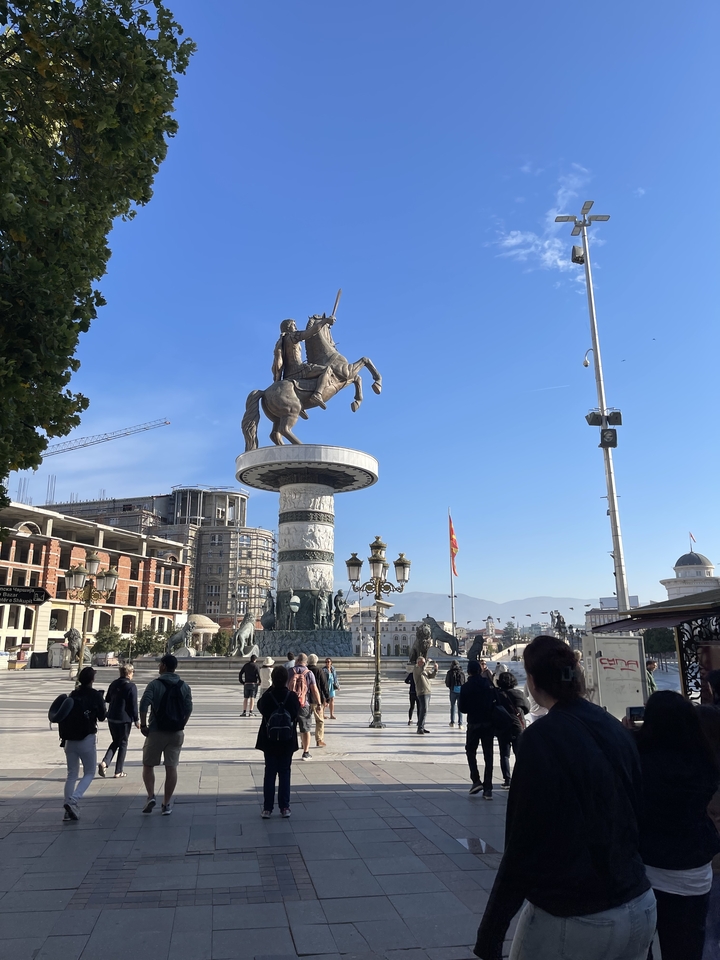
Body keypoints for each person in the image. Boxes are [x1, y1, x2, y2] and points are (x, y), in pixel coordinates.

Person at [474, 635, 655, 960]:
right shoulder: (614, 727)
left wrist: (491, 933)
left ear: (532, 681)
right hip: (639, 903)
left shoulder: (541, 739)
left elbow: (522, 843)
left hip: (576, 915)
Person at [629, 691, 720, 960]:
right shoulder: (704, 762)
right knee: (686, 947)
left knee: (639, 947)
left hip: (647, 869)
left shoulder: (640, 761)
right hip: (693, 874)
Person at [139, 654, 193, 815]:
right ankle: (166, 803)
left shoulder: (154, 685)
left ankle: (150, 796)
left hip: (156, 730)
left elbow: (143, 704)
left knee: (148, 765)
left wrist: (143, 724)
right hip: (176, 732)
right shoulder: (184, 686)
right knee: (171, 767)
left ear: (163, 665)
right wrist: (182, 723)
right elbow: (189, 708)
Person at [60, 666, 107, 821]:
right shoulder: (95, 695)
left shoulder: (73, 694)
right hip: (86, 738)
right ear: (92, 680)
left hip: (69, 740)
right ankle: (74, 800)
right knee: (89, 772)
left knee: (71, 774)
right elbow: (101, 717)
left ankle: (68, 809)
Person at [256, 665, 301, 818]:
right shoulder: (292, 696)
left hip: (270, 740)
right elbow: (296, 714)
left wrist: (271, 688)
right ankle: (285, 807)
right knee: (285, 772)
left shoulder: (268, 697)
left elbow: (260, 706)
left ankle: (267, 808)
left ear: (273, 680)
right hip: (287, 740)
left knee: (269, 773)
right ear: (287, 679)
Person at [459, 659, 497, 799]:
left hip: (473, 723)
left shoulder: (466, 687)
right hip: (488, 723)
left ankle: (476, 780)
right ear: (480, 671)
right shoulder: (488, 684)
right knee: (488, 755)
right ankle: (488, 788)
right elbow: (496, 702)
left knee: (470, 751)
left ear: (468, 671)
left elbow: (462, 709)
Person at [99, 663, 138, 779]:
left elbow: (107, 699)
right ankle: (118, 771)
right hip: (124, 719)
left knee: (115, 741)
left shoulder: (113, 683)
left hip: (111, 717)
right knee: (123, 743)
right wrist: (136, 720)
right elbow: (133, 705)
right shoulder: (131, 686)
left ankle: (105, 762)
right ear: (129, 673)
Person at [495, 671, 529, 788]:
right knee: (519, 753)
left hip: (502, 727)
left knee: (504, 755)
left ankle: (507, 779)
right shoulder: (518, 693)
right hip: (518, 726)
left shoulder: (497, 694)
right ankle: (521, 778)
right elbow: (527, 708)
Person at [287, 653, 320, 760]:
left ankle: (288, 750)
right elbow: (314, 689)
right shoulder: (309, 673)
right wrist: (319, 703)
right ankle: (306, 752)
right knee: (305, 729)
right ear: (306, 662)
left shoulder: (290, 671)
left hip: (290, 704)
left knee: (290, 728)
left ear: (297, 660)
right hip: (304, 703)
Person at [306, 654, 328, 748]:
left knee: (305, 721)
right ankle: (319, 740)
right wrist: (327, 697)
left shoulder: (305, 670)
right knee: (319, 721)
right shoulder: (319, 671)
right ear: (316, 661)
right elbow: (324, 685)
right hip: (316, 699)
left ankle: (304, 742)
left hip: (305, 699)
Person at [413, 656, 438, 734]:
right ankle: (420, 727)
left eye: (424, 662)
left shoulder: (424, 670)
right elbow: (422, 670)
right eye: (423, 662)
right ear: (419, 662)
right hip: (422, 692)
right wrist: (427, 662)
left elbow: (432, 676)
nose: (424, 663)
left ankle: (422, 726)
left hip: (427, 691)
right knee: (423, 710)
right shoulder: (416, 669)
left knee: (425, 710)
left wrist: (435, 669)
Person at [445, 660, 466, 728]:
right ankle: (460, 723)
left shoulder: (450, 672)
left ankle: (452, 722)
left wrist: (450, 687)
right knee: (460, 707)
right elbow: (465, 681)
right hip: (460, 691)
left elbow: (447, 682)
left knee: (453, 707)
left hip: (453, 690)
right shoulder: (462, 672)